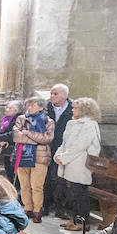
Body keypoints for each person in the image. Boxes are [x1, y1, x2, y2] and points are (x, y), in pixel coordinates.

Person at [53, 96, 102, 231]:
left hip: (80, 163)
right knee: (72, 193)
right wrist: (58, 155)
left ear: (85, 110)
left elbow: (80, 145)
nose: (72, 110)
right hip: (70, 161)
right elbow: (64, 143)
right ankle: (74, 219)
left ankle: (82, 223)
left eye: (75, 108)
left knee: (80, 193)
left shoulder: (90, 124)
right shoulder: (72, 123)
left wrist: (64, 158)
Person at [11, 96, 55, 222]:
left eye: (33, 105)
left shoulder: (48, 121)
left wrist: (27, 133)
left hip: (40, 157)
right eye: (28, 105)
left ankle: (37, 210)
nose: (29, 108)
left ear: (41, 107)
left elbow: (47, 139)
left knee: (37, 186)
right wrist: (36, 139)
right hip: (23, 155)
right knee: (24, 185)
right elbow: (16, 136)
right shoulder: (21, 118)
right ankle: (27, 208)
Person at [44, 83, 73, 218]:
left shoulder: (73, 109)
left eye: (55, 94)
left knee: (59, 179)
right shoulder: (45, 108)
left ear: (65, 95)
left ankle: (60, 208)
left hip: (63, 149)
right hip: (45, 147)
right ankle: (45, 205)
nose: (52, 96)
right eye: (51, 93)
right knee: (45, 177)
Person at [0, 99, 21, 183]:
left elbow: (13, 133)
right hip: (5, 149)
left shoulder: (18, 119)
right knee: (7, 171)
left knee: (12, 172)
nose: (7, 109)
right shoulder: (5, 119)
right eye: (7, 107)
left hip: (13, 148)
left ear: (16, 110)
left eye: (10, 108)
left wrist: (0, 138)